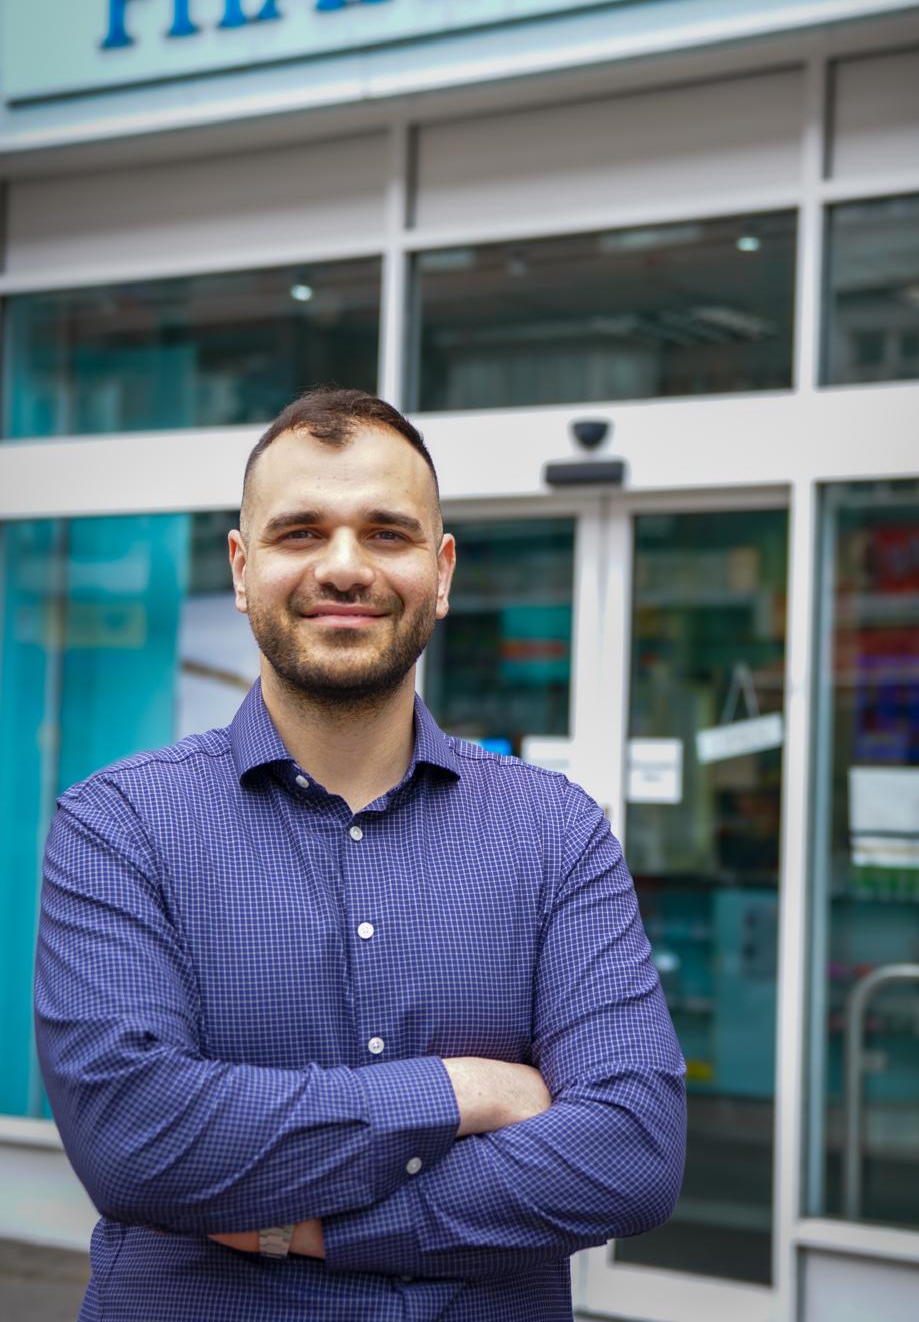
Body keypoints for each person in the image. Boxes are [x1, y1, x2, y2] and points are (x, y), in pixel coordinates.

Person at [34, 388, 686, 1322]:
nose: (345, 567)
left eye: (387, 533)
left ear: (442, 568)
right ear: (242, 563)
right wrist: (465, 1091)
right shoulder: (119, 826)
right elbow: (138, 1141)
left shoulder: (557, 831)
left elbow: (630, 1152)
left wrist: (317, 1229)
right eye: (301, 532)